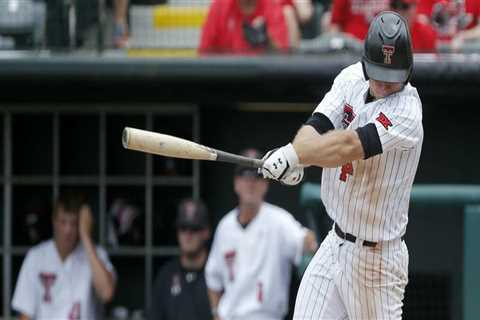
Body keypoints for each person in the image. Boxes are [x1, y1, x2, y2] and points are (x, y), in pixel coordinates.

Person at [259, 11, 423, 319]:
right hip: (335, 243)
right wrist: (295, 152)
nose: (386, 85)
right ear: (365, 65)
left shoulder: (408, 113)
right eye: (378, 75)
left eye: (393, 77)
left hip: (377, 260)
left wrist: (297, 156)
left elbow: (349, 146)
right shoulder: (350, 78)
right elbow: (317, 125)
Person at [205, 148, 318, 320]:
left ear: (265, 183)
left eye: (257, 177)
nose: (250, 182)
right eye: (245, 176)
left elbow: (306, 241)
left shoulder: (279, 221)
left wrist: (311, 237)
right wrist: (215, 314)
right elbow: (213, 279)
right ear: (236, 183)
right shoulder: (225, 227)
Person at [12, 193, 116, 320]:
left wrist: (86, 236)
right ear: (54, 221)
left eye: (73, 223)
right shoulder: (36, 257)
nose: (68, 230)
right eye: (63, 222)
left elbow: (106, 293)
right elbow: (25, 314)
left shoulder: (96, 254)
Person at [149, 198, 212, 320]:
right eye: (183, 228)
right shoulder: (166, 275)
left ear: (206, 232)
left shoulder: (218, 273)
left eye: (194, 229)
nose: (188, 235)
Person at [199, 0, 291, 54]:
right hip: (226, 79)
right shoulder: (220, 6)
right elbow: (204, 52)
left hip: (263, 80)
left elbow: (282, 58)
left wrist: (267, 40)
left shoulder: (272, 7)